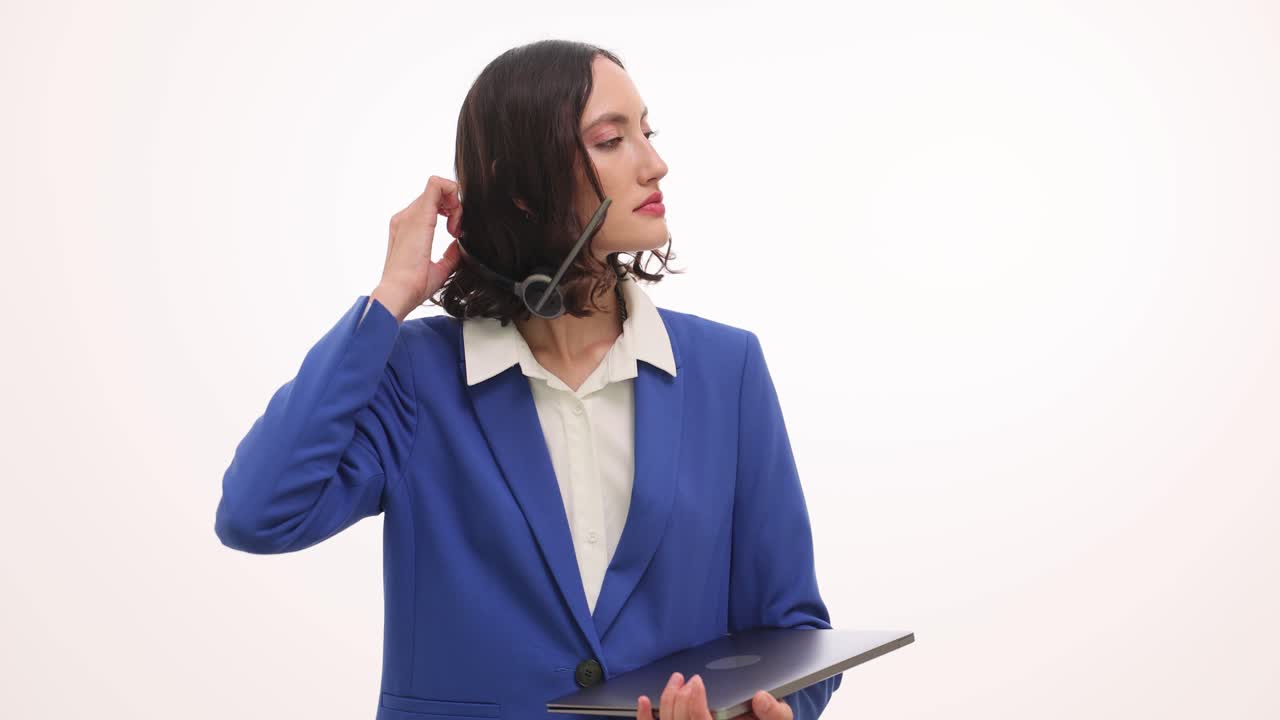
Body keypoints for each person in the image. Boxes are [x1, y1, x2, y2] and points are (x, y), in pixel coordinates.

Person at [214, 39, 842, 720]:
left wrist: (757, 714)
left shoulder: (729, 369)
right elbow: (258, 514)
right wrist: (389, 299)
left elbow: (793, 636)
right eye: (611, 140)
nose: (654, 164)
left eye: (646, 132)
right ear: (520, 186)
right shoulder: (415, 375)